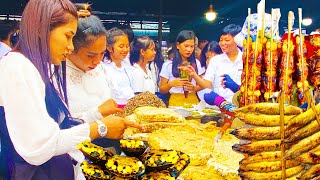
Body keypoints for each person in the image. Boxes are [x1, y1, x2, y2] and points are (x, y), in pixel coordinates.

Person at [0, 0, 142, 179]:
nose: (71, 46)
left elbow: (62, 125)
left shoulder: (36, 66)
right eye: (68, 36)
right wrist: (99, 128)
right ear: (41, 28)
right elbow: (38, 147)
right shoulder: (17, 67)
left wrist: (95, 117)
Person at [66, 4, 125, 153]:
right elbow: (60, 129)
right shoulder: (58, 75)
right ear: (70, 47)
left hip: (106, 147)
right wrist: (98, 113)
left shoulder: (100, 68)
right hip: (75, 154)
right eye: (91, 55)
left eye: (102, 54)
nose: (97, 61)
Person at [183, 24, 242, 111]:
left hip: (242, 107)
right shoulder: (216, 60)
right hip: (219, 109)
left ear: (237, 40)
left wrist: (235, 87)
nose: (222, 43)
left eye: (227, 40)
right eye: (221, 40)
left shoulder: (247, 59)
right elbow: (207, 84)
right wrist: (194, 75)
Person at [159, 30, 205, 107]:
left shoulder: (196, 63)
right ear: (177, 45)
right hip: (175, 102)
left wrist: (194, 88)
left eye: (192, 46)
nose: (189, 49)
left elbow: (202, 85)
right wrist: (171, 84)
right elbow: (162, 90)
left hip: (193, 101)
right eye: (186, 46)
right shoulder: (168, 65)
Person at [104, 27, 134, 107]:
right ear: (109, 48)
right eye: (121, 46)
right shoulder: (104, 68)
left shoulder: (127, 66)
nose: (125, 49)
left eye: (127, 46)